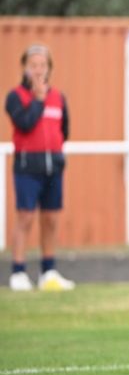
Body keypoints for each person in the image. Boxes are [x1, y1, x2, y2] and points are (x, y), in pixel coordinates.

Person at [5, 45, 74, 291]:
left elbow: (64, 130)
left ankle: (48, 271)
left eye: (42, 65)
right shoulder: (15, 97)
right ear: (24, 68)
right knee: (25, 218)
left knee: (51, 218)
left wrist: (56, 155)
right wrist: (38, 100)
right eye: (33, 65)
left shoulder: (59, 98)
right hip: (27, 167)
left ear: (49, 68)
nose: (38, 70)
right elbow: (24, 123)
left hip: (53, 166)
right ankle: (18, 272)